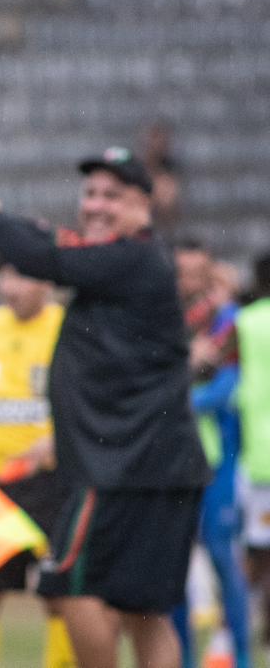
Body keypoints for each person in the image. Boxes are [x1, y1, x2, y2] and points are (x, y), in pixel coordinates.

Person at [0, 146, 209, 668]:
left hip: (119, 470)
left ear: (145, 203)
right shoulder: (136, 259)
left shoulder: (131, 257)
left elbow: (44, 256)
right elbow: (51, 243)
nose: (94, 205)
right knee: (146, 612)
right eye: (89, 193)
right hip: (161, 465)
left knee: (69, 585)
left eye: (111, 196)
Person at [0, 266, 74, 668]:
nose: (10, 288)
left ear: (45, 281)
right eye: (5, 278)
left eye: (21, 277)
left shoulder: (68, 328)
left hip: (54, 481)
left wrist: (61, 439)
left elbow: (90, 396)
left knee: (59, 594)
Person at [172, 239, 250, 668]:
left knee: (222, 556)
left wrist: (172, 397)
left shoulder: (225, 324)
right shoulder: (163, 321)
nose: (189, 281)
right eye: (181, 272)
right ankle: (181, 657)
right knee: (174, 567)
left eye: (196, 272)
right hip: (170, 461)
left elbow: (225, 390)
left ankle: (240, 656)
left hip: (216, 459)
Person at [236, 251, 270, 668]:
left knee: (260, 560)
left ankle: (251, 641)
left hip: (261, 458)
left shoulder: (244, 322)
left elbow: (209, 363)